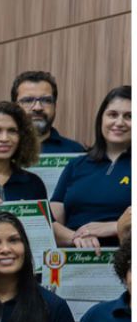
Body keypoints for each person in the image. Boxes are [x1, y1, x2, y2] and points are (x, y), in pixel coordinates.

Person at [52, 85, 131, 250]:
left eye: (129, 116)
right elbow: (51, 224)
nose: (119, 122)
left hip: (127, 265)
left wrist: (114, 227)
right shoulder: (76, 165)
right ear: (101, 118)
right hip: (74, 264)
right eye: (112, 115)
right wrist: (76, 238)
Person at [10, 70, 86, 154]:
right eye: (28, 100)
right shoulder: (2, 149)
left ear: (55, 106)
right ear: (14, 107)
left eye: (46, 100)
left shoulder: (75, 152)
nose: (37, 107)